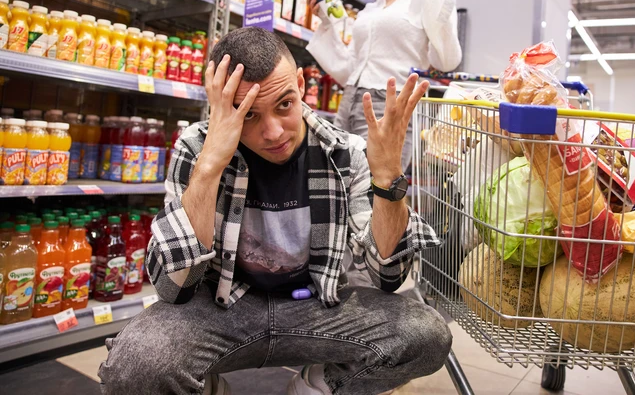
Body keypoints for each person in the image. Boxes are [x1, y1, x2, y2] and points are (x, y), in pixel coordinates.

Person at [98, 27, 452, 395]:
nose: (273, 133)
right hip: (223, 307)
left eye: (284, 104)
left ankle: (317, 385)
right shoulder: (196, 147)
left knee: (425, 335)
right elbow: (174, 289)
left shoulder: (345, 152)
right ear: (221, 106)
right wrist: (210, 165)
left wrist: (389, 179)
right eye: (249, 114)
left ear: (300, 84)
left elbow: (388, 278)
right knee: (134, 368)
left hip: (319, 306)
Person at [307, 0, 462, 172]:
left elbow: (447, 61)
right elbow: (349, 68)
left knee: (376, 187)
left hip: (388, 104)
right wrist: (325, 21)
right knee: (337, 181)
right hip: (350, 100)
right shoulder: (372, 8)